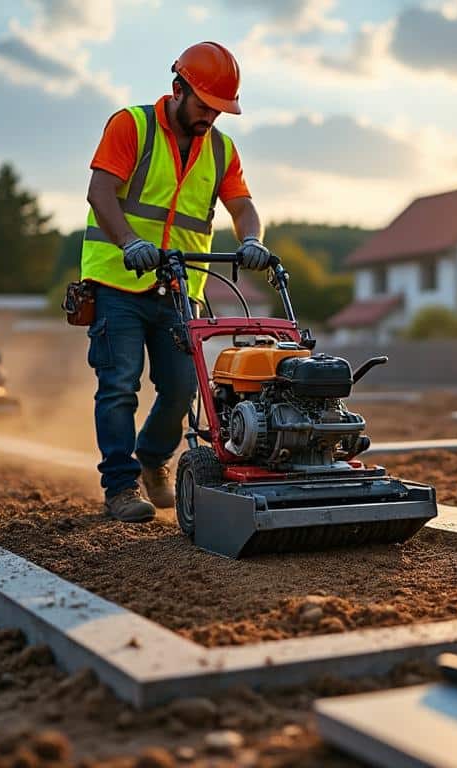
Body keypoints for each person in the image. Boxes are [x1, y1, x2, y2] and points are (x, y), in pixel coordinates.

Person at [80, 41, 274, 524]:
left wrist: (251, 238)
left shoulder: (222, 149)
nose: (211, 117)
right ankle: (121, 488)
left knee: (184, 387)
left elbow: (243, 206)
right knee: (120, 385)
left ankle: (150, 456)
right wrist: (127, 242)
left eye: (220, 110)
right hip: (118, 282)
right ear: (178, 89)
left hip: (179, 289)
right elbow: (100, 189)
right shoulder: (133, 125)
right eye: (205, 106)